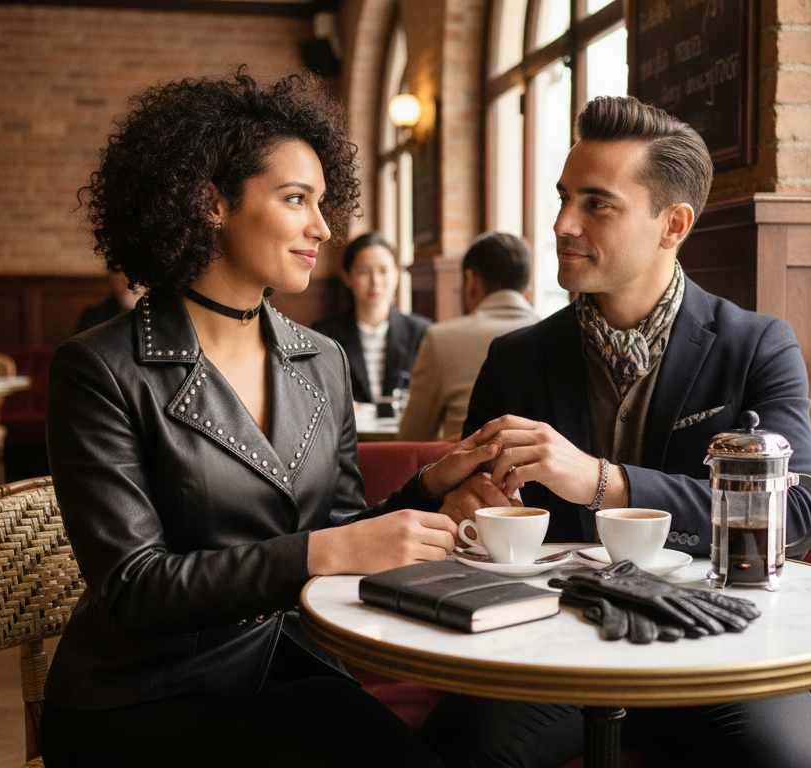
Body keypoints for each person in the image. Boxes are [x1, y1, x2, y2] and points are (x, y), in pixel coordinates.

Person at [41, 69, 495, 767]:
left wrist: (430, 490)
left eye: (322, 202)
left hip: (290, 664)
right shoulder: (99, 368)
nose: (324, 226)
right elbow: (135, 588)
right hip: (144, 693)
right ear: (210, 202)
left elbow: (338, 533)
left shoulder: (321, 359)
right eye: (295, 200)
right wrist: (325, 553)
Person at [420, 97, 811, 767]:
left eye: (597, 204)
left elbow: (797, 513)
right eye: (563, 198)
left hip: (723, 640)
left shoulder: (757, 345)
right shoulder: (516, 358)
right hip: (551, 641)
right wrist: (471, 511)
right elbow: (474, 522)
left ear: (672, 224)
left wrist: (599, 481)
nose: (561, 224)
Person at [397, 232, 539, 441]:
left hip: (466, 472)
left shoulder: (441, 339)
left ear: (471, 281)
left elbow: (412, 440)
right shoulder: (561, 338)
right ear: (528, 292)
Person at [312, 231, 430, 403]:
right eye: (364, 272)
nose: (375, 281)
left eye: (383, 271)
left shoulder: (422, 333)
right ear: (347, 277)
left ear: (396, 274)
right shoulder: (323, 334)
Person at [74, 270, 147, 334]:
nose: (126, 281)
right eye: (119, 273)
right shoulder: (94, 315)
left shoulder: (153, 314)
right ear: (112, 279)